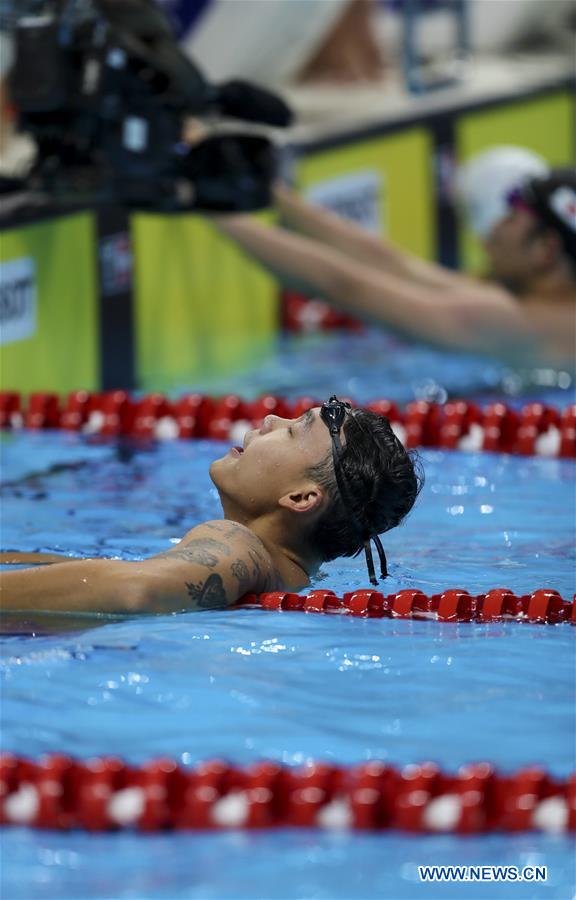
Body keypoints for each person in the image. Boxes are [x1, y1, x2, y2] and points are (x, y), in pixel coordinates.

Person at [0, 398, 422, 615]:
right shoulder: (293, 576)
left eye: (293, 432)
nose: (271, 420)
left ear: (300, 498)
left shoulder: (235, 543)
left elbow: (136, 590)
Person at [212, 170, 576, 369]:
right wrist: (268, 189)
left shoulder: (516, 323)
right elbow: (396, 265)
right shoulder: (546, 310)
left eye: (510, 218)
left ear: (545, 249)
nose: (491, 233)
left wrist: (214, 209)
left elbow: (346, 287)